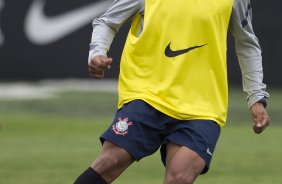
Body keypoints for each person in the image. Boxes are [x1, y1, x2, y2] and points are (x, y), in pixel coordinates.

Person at [74, 0, 271, 183]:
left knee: (180, 178)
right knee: (110, 161)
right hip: (147, 94)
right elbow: (107, 22)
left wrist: (256, 98)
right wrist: (97, 52)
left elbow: (247, 44)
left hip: (202, 105)